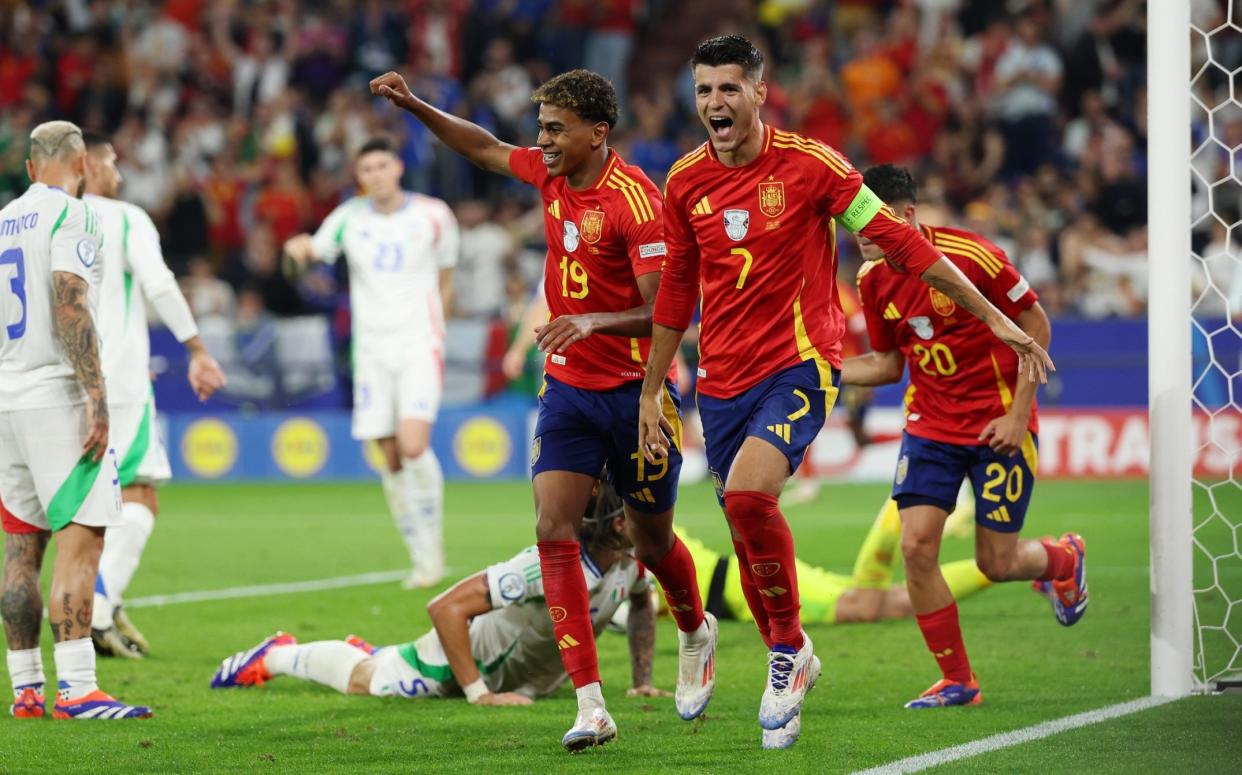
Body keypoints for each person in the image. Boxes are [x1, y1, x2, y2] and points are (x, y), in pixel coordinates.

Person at [637, 35, 1053, 749]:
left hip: (800, 364)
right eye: (704, 91)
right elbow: (676, 290)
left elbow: (906, 244)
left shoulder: (813, 166)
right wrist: (653, 389)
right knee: (746, 524)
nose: (715, 103)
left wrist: (992, 318)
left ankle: (788, 651)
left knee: (747, 497)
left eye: (729, 88)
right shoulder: (683, 183)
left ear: (761, 91)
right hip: (723, 379)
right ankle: (782, 647)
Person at [371, 68, 715, 752]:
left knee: (650, 542)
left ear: (598, 132)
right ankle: (590, 702)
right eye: (542, 128)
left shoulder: (635, 202)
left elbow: (667, 312)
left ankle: (696, 628)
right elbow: (484, 147)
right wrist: (415, 107)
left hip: (636, 393)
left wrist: (593, 324)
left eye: (557, 129)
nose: (543, 140)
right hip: (568, 390)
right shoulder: (551, 175)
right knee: (554, 527)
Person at [844, 164, 1086, 709]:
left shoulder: (970, 256)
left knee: (995, 564)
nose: (858, 231)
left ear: (905, 216)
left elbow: (1037, 325)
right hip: (930, 426)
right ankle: (958, 679)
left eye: (868, 217)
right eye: (851, 219)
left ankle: (1064, 559)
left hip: (998, 424)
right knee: (915, 546)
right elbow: (887, 365)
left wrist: (1020, 414)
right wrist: (819, 369)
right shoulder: (870, 280)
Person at [210, 483, 667, 710]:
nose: (642, 517)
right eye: (630, 512)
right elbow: (445, 606)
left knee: (380, 665)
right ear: (611, 524)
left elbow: (643, 602)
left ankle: (373, 653)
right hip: (457, 663)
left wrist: (641, 677)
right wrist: (478, 694)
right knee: (367, 681)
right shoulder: (540, 566)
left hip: (525, 682)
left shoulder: (631, 562)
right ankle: (275, 656)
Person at [0, 120, 151, 719]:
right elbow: (70, 297)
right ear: (81, 163)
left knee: (19, 549)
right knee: (82, 540)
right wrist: (95, 392)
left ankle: (26, 689)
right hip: (55, 396)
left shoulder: (4, 220)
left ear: (33, 166)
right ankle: (78, 688)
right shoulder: (75, 214)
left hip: (7, 398)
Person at [284, 136, 459, 590]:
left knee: (414, 445)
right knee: (390, 456)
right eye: (367, 169)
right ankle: (419, 557)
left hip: (418, 343)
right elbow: (313, 253)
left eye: (383, 165)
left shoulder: (434, 215)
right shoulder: (347, 219)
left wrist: (437, 331)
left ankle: (434, 548)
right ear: (359, 178)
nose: (376, 174)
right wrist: (297, 250)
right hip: (371, 351)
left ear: (398, 167)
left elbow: (446, 279)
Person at [80, 130, 227, 659]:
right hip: (115, 378)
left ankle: (88, 610)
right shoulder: (123, 217)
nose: (118, 173)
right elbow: (160, 283)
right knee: (141, 493)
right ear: (90, 166)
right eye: (113, 162)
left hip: (47, 386)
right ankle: (98, 608)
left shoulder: (22, 219)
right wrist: (197, 349)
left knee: (68, 513)